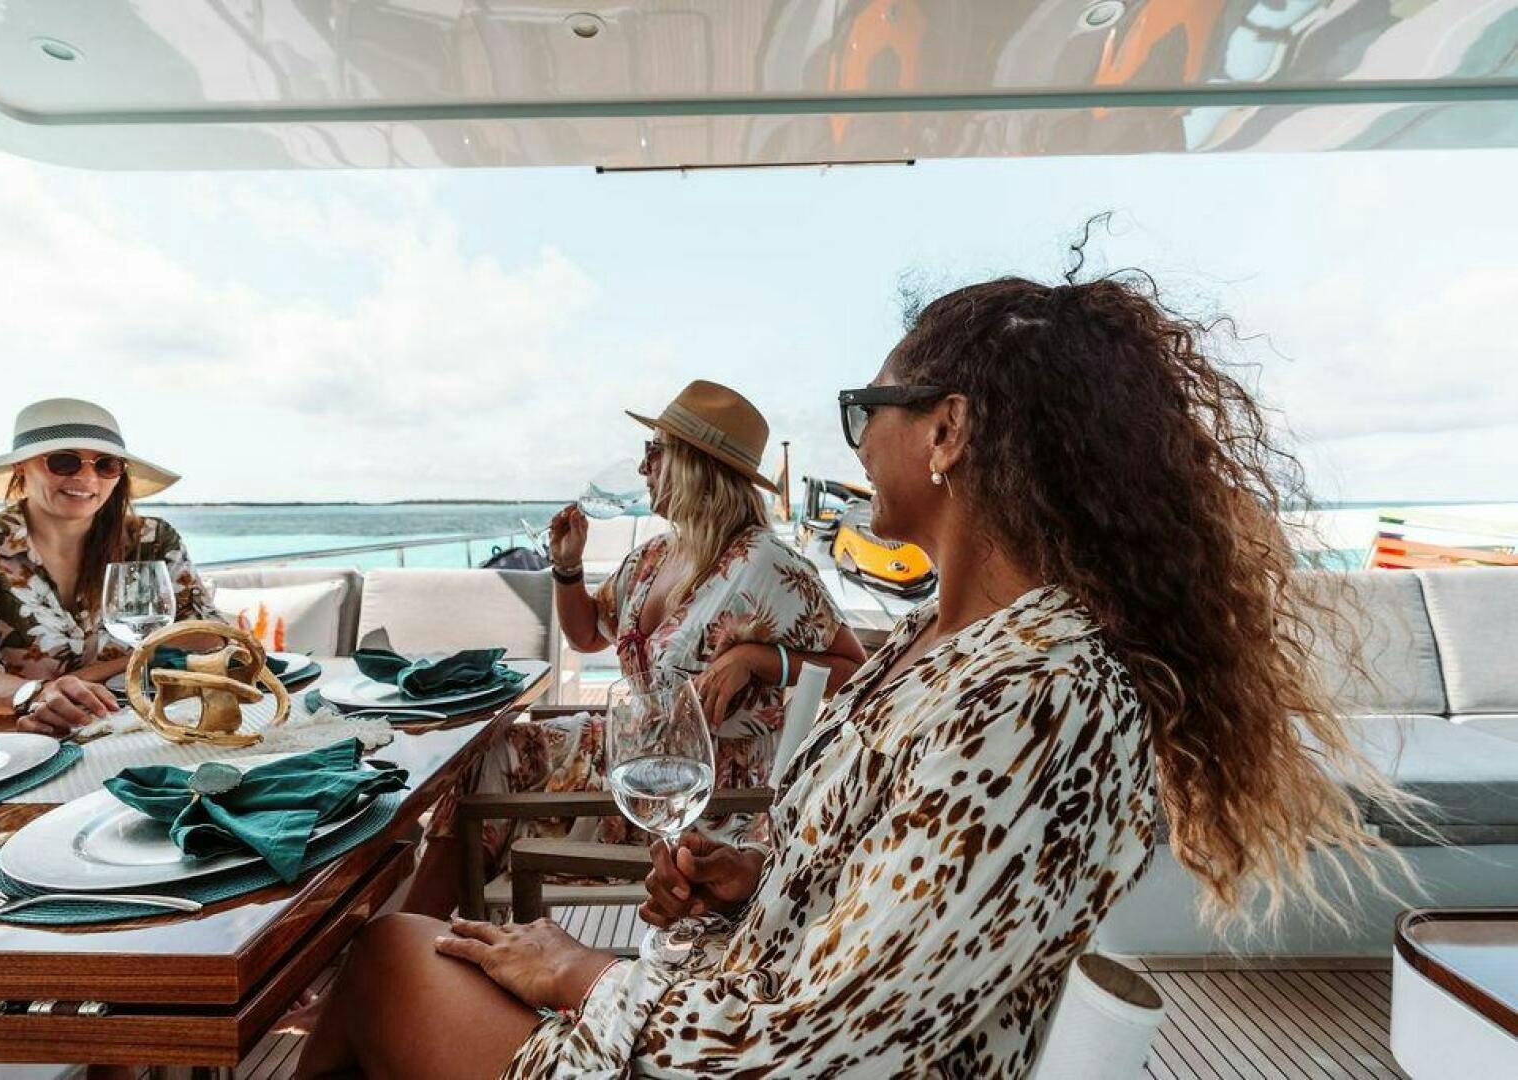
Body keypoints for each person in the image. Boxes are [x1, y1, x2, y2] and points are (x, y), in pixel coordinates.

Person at [299, 277, 1407, 1079]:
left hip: (744, 1059)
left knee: (385, 963)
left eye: (860, 411)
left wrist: (584, 976)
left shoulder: (1033, 697)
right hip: (733, 1003)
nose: (855, 443)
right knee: (404, 947)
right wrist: (763, 878)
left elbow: (831, 1047)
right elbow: (893, 898)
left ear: (946, 429)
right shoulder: (946, 643)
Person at [401, 380, 865, 918]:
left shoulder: (766, 568)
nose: (643, 467)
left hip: (701, 799)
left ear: (695, 466)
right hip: (626, 765)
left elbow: (855, 669)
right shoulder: (654, 556)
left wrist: (759, 659)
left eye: (655, 452)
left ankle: (408, 948)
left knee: (492, 786)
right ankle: (414, 940)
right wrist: (567, 565)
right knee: (488, 753)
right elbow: (587, 635)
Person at [0, 398, 221, 734]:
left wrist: (79, 681)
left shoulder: (152, 539)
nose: (87, 477)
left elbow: (212, 638)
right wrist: (36, 695)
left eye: (105, 465)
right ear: (20, 467)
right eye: (63, 461)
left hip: (123, 724)